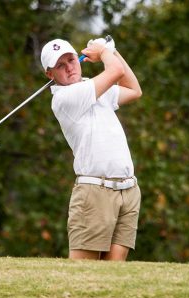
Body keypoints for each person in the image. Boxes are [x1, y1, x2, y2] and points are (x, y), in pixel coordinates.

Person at [40, 36, 142, 261]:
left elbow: (134, 90)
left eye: (71, 60)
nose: (69, 68)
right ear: (50, 74)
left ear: (79, 59)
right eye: (60, 65)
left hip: (127, 190)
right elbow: (114, 71)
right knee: (83, 277)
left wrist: (112, 51)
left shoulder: (93, 88)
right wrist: (105, 51)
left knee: (113, 277)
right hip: (95, 192)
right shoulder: (64, 98)